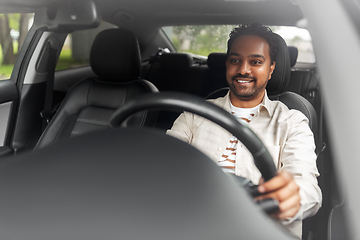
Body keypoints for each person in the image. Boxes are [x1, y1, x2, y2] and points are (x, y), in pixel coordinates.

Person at [167, 23, 322, 239]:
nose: (243, 69)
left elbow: (308, 189)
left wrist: (291, 198)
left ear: (271, 69)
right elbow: (164, 164)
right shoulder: (195, 114)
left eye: (256, 62)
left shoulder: (292, 122)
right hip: (192, 225)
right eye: (235, 60)